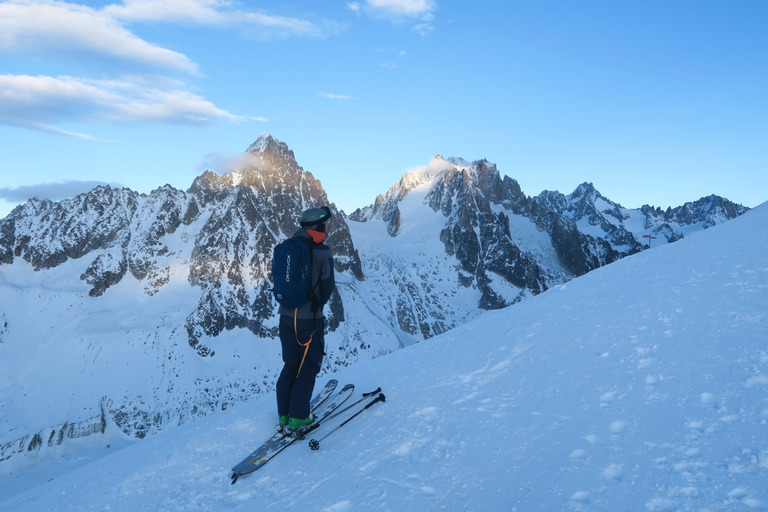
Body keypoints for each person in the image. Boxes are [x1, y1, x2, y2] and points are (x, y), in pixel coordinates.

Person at [275, 206, 335, 433]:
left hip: (286, 318)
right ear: (319, 227)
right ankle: (299, 417)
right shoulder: (322, 252)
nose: (328, 228)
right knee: (308, 366)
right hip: (309, 320)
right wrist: (316, 305)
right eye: (327, 225)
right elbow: (327, 286)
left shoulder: (288, 247)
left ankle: (284, 415)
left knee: (291, 364)